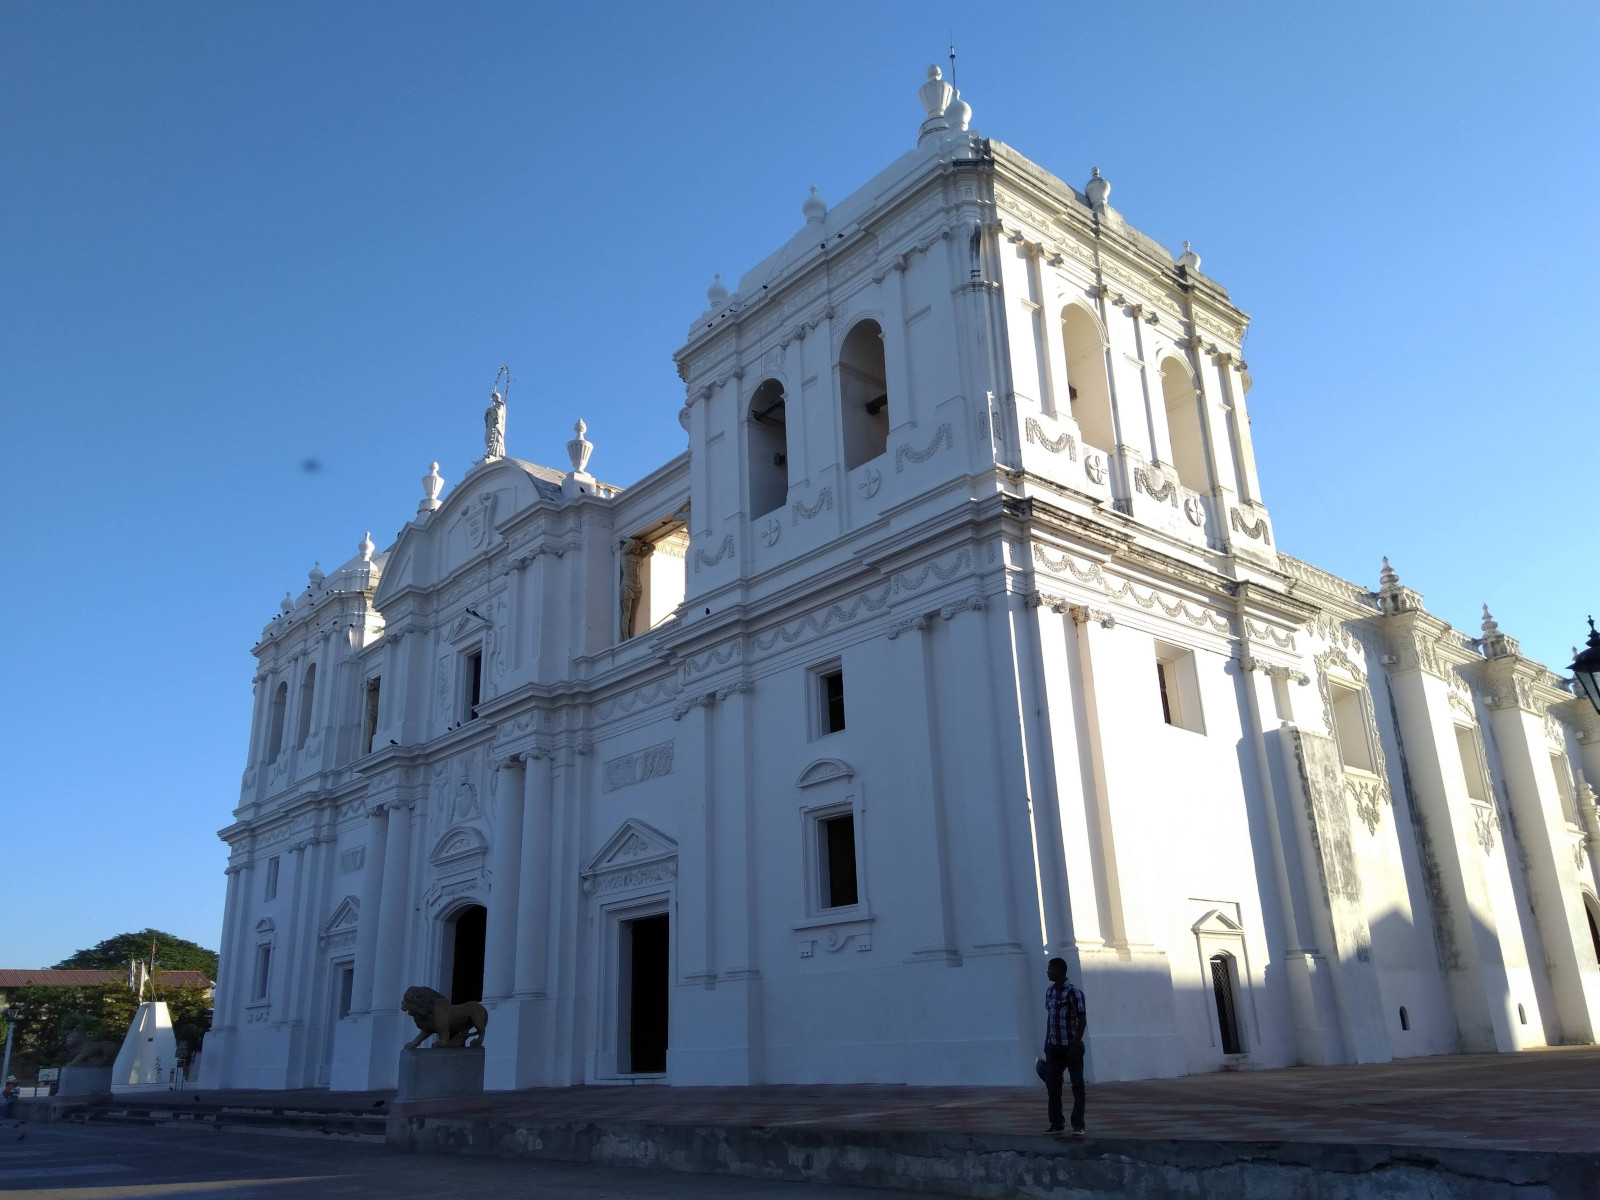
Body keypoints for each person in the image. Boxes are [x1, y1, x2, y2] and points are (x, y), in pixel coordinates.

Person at [1041, 957, 1087, 1135]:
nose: (1048, 972)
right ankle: (1056, 1123)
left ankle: (1078, 1125)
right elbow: (1050, 1018)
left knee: (1077, 1085)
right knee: (1052, 1086)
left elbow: (1081, 1019)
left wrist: (1075, 1045)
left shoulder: (1073, 992)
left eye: (1050, 969)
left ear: (1060, 971)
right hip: (1054, 1047)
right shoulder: (1050, 992)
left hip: (1071, 1047)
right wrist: (1047, 1042)